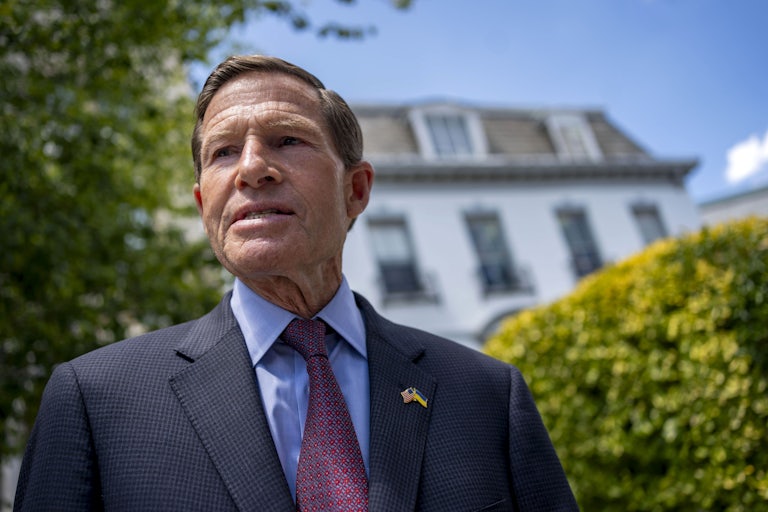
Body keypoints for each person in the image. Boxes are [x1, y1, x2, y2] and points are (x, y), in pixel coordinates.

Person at [14, 55, 579, 511]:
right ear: (203, 205)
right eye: (223, 152)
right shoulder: (93, 401)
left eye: (287, 140)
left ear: (355, 190)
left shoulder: (487, 394)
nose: (252, 168)